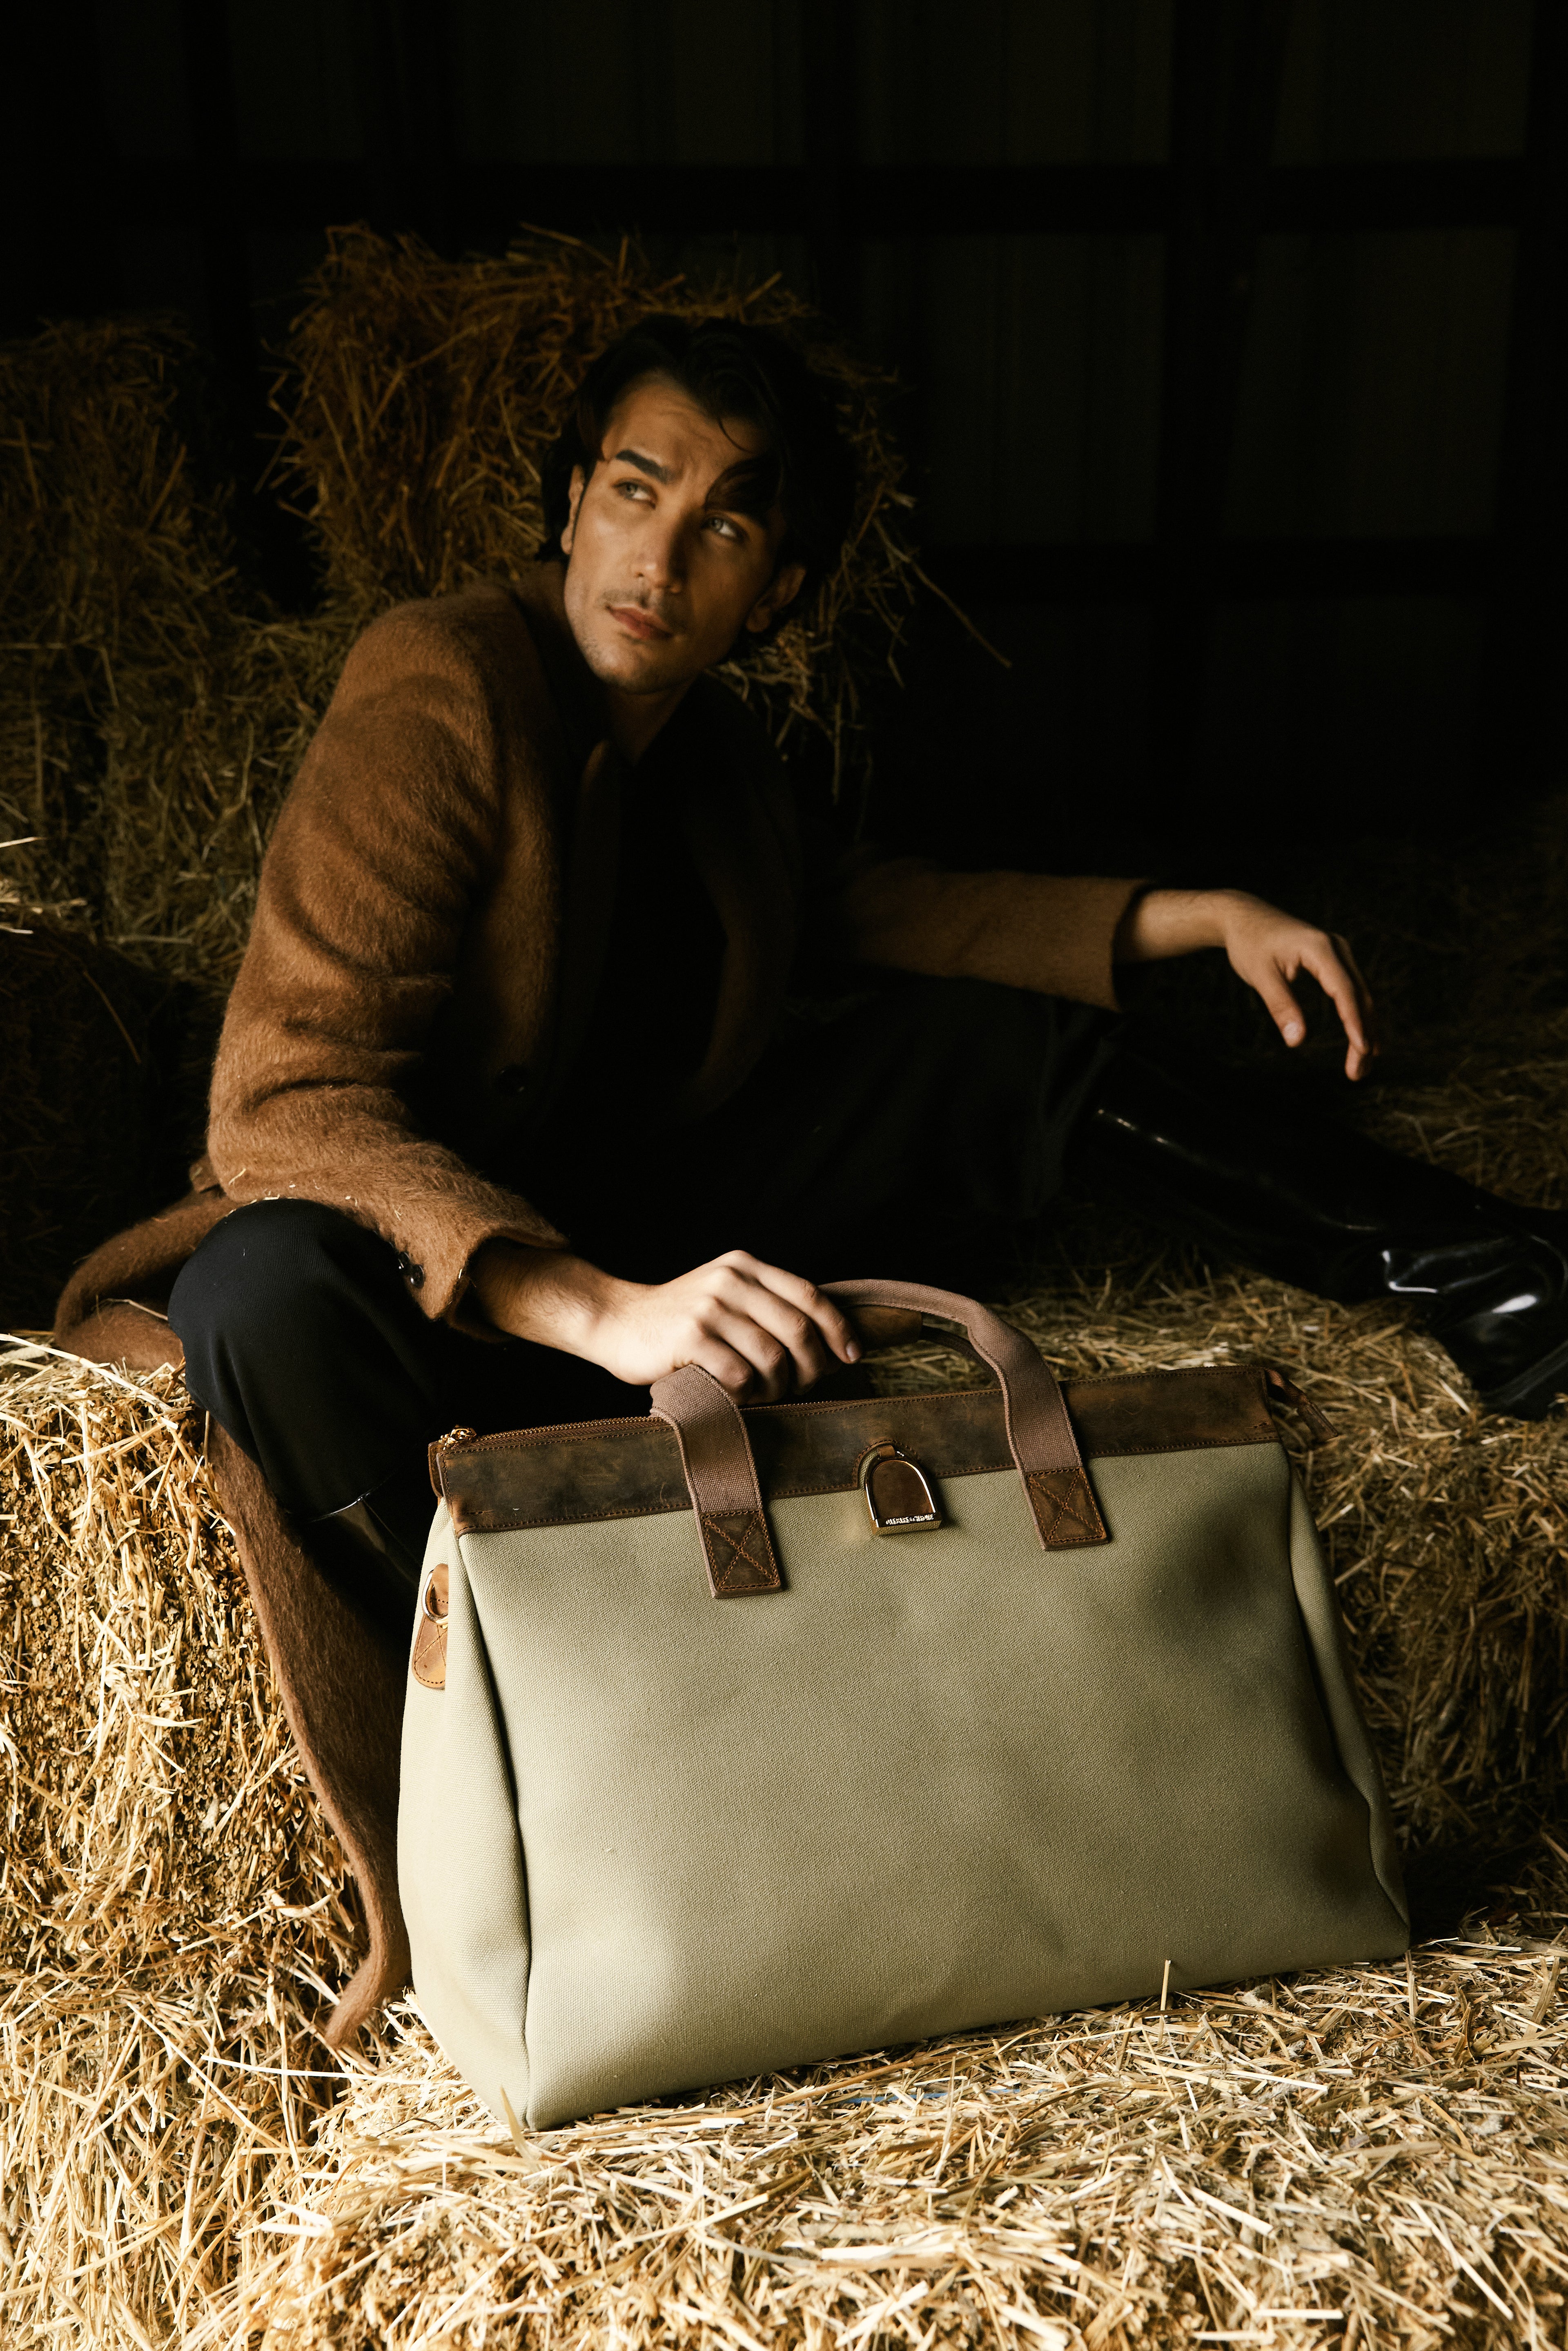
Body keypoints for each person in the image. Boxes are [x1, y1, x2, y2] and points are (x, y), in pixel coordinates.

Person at [78, 313, 1564, 1630]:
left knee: (1006, 1046)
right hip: (457, 1296)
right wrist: (601, 1307)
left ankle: (1500, 1286)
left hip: (644, 1227)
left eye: (722, 528)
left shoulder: (716, 754)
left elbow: (876, 913)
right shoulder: (443, 681)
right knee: (258, 1284)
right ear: (573, 501)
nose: (658, 559)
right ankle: (486, 1709)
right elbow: (281, 1102)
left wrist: (1194, 914)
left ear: (775, 593)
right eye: (634, 491)